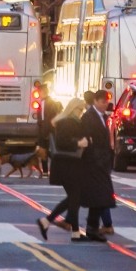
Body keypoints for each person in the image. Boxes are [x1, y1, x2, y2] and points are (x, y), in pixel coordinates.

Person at [38, 98, 89, 239]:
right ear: (73, 108)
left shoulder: (68, 121)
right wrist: (79, 142)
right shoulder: (67, 122)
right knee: (75, 197)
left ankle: (49, 222)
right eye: (80, 109)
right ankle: (74, 232)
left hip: (68, 164)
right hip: (66, 164)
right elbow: (62, 142)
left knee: (74, 197)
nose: (81, 112)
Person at [75, 90, 116, 242]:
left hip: (102, 162)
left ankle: (92, 227)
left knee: (101, 196)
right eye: (103, 102)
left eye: (106, 102)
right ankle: (91, 228)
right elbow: (85, 137)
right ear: (96, 101)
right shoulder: (88, 117)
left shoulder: (103, 117)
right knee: (99, 196)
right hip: (93, 162)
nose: (105, 105)